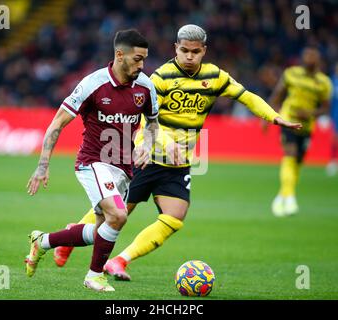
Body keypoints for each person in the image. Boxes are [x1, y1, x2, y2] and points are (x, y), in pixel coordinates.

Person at [53, 24, 301, 280]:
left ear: (204, 50)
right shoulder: (160, 77)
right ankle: (71, 235)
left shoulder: (215, 76)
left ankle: (119, 261)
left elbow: (247, 97)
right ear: (176, 49)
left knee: (175, 216)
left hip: (178, 163)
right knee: (113, 214)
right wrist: (164, 141)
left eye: (195, 51)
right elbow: (144, 118)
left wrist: (273, 117)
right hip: (145, 159)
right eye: (184, 50)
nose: (189, 56)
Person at [24, 29, 159, 292]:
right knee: (118, 216)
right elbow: (57, 124)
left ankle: (43, 241)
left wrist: (148, 146)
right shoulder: (92, 84)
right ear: (119, 55)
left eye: (144, 59)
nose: (142, 65)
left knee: (100, 231)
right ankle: (94, 276)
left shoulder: (145, 86)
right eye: (137, 59)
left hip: (123, 168)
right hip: (93, 162)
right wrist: (43, 165)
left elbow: (153, 122)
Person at [269, 46, 332, 217]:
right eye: (307, 56)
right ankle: (290, 198)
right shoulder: (291, 74)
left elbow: (326, 108)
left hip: (307, 126)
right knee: (290, 154)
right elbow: (277, 96)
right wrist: (270, 117)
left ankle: (282, 197)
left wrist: (310, 113)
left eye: (313, 56)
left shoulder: (323, 82)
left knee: (297, 162)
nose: (309, 59)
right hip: (288, 120)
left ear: (318, 60)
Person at [326, 62, 338, 176]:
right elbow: (328, 100)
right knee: (335, 138)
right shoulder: (332, 81)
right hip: (336, 113)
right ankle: (333, 161)